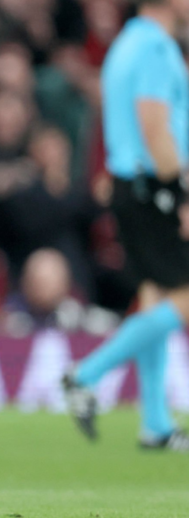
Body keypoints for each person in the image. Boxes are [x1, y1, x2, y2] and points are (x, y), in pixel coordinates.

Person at [63, 0, 189, 451]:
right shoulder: (155, 47)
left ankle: (155, 424)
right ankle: (85, 375)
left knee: (155, 298)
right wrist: (180, 193)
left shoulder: (126, 43)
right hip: (152, 186)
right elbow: (155, 126)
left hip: (130, 184)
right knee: (183, 298)